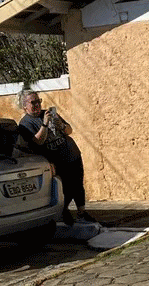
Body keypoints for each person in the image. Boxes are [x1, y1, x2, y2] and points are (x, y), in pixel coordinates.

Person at [17, 90, 94, 226]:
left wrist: (61, 125)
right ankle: (63, 211)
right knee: (65, 189)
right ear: (24, 106)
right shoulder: (25, 123)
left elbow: (69, 130)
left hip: (72, 154)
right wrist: (45, 124)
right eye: (33, 102)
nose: (37, 105)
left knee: (78, 185)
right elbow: (38, 141)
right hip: (56, 161)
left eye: (38, 101)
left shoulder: (48, 113)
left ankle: (82, 213)